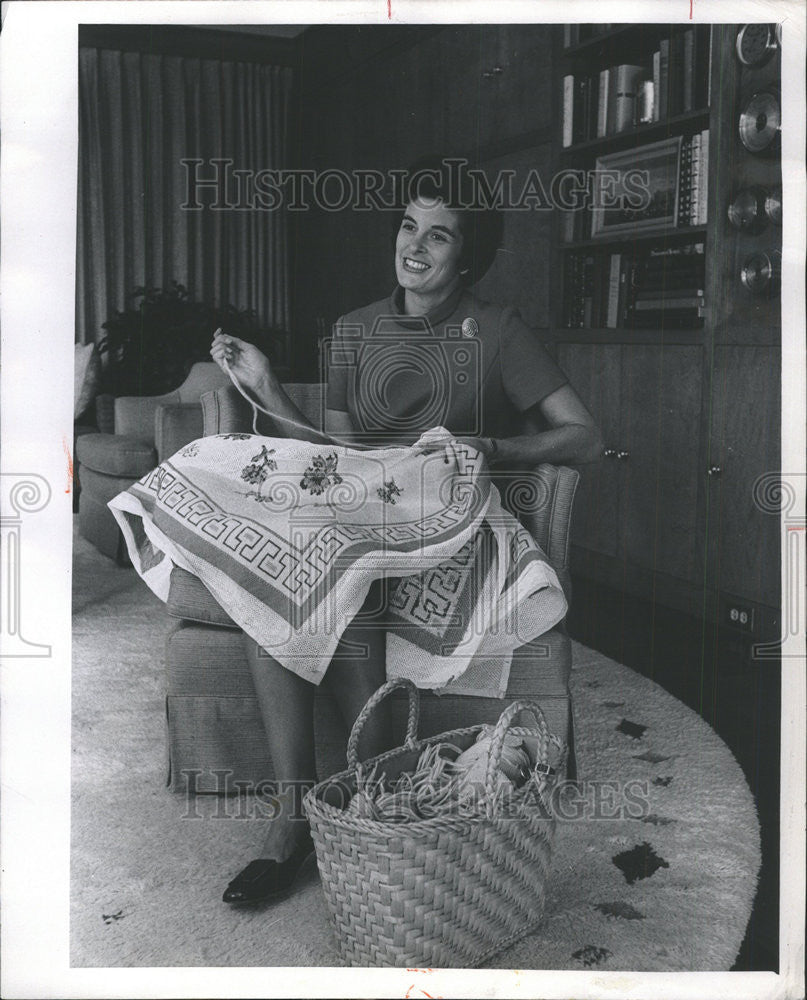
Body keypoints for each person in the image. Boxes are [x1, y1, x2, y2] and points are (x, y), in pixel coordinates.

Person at [209, 158, 603, 904]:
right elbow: (336, 455)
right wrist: (265, 387)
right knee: (296, 569)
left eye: (439, 236)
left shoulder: (497, 330)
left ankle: (361, 794)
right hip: (367, 513)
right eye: (406, 226)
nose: (413, 247)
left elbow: (583, 436)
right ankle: (305, 814)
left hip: (453, 521)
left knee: (330, 570)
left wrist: (495, 447)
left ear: (468, 257)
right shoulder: (354, 329)